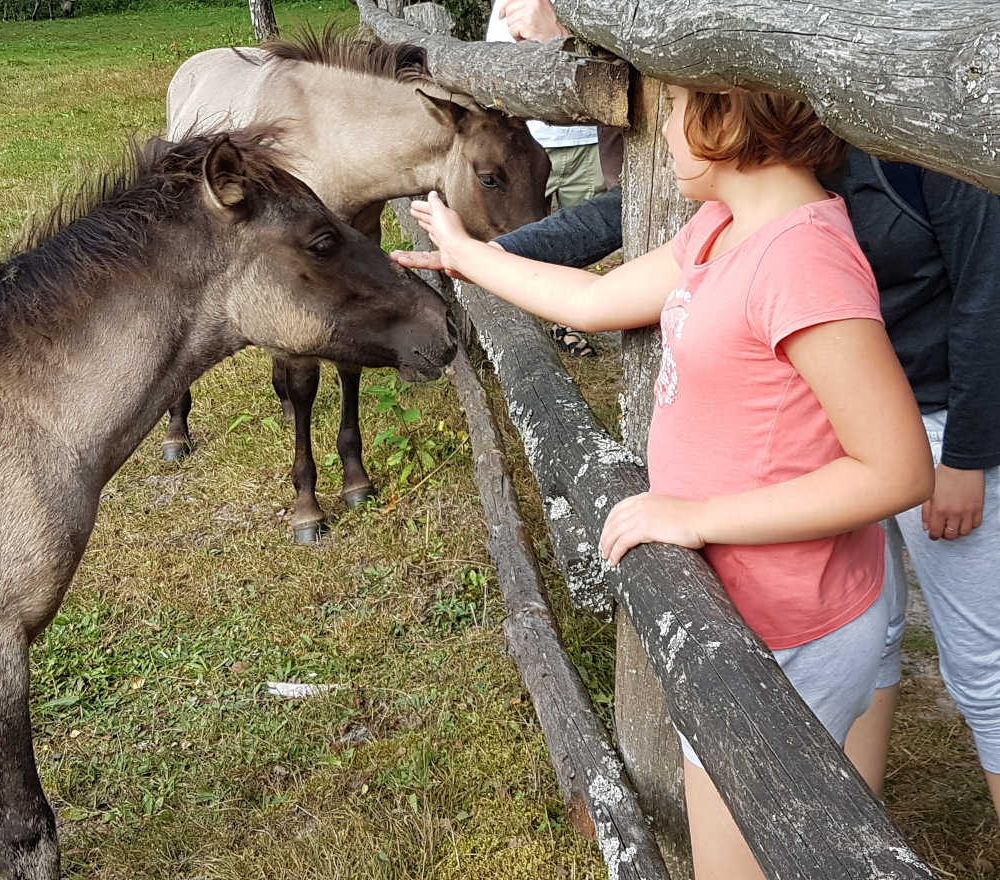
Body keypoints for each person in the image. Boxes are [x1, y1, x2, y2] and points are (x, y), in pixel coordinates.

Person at [392, 86, 935, 879]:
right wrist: (466, 253)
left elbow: (896, 468)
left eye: (675, 101)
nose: (660, 127)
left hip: (789, 619)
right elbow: (594, 298)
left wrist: (699, 515)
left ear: (734, 110)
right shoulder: (723, 229)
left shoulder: (802, 257)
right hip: (742, 612)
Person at [481, 152, 1000, 821]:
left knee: (981, 660)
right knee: (879, 625)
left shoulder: (921, 137)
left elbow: (990, 291)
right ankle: (854, 825)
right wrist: (489, 253)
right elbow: (621, 219)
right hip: (832, 413)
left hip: (941, 419)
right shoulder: (786, 151)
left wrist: (966, 456)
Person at [487, 0, 619, 358]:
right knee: (525, 227)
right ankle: (522, 318)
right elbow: (497, 67)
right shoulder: (511, 6)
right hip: (529, 145)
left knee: (582, 233)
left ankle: (568, 320)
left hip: (588, 140)